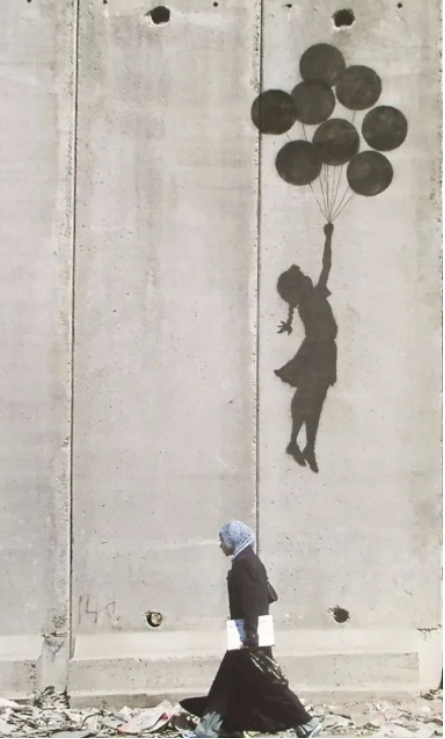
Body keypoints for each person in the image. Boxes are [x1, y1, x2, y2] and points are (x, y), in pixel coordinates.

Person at [180, 521, 322, 738]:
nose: (220, 545)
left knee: (271, 686)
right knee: (226, 685)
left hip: (248, 638)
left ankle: (308, 725)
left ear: (233, 539)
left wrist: (251, 635)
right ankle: (208, 730)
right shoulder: (248, 560)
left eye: (223, 540)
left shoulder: (244, 563)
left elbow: (251, 602)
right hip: (247, 636)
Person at [275, 223, 337, 473]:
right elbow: (327, 265)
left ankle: (308, 445)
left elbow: (326, 267)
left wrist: (328, 238)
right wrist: (328, 238)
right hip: (316, 351)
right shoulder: (312, 298)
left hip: (325, 352)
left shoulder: (309, 300)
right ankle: (294, 442)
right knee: (308, 398)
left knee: (315, 400)